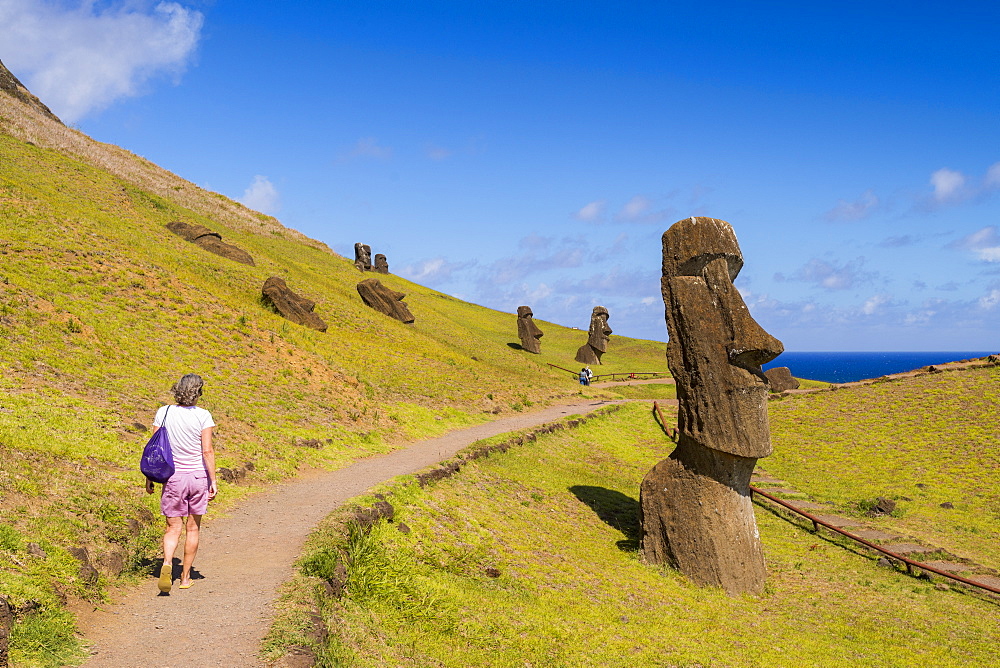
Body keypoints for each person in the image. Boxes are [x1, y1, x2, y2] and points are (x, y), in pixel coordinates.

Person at [145, 374, 217, 593]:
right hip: (197, 477)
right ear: (198, 392)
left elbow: (153, 448)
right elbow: (207, 450)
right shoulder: (203, 416)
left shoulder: (164, 412)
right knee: (192, 528)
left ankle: (167, 564)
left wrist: (149, 478)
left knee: (172, 527)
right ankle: (185, 578)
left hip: (172, 477)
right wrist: (213, 480)